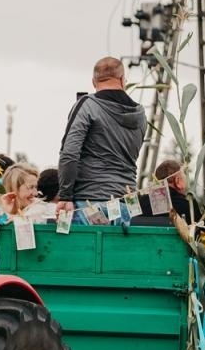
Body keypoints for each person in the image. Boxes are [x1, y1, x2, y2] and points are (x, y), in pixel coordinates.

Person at [54, 57, 144, 226]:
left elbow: (69, 153)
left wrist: (65, 196)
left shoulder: (87, 105)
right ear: (122, 80)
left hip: (89, 202)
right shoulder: (140, 113)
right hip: (126, 204)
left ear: (94, 82)